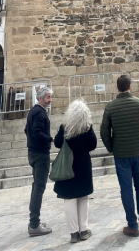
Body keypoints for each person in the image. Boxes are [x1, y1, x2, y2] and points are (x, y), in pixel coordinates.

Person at [100, 74, 139, 237]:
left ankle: (132, 225)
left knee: (126, 189)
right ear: (130, 87)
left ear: (118, 88)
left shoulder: (111, 107)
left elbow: (104, 131)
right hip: (138, 152)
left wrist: (112, 147)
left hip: (121, 154)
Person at [53, 99, 98, 244]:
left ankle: (73, 233)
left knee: (69, 198)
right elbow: (93, 144)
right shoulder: (87, 127)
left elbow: (57, 143)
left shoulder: (65, 127)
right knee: (83, 197)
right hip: (83, 165)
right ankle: (84, 230)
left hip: (68, 165)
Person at [25, 86, 54, 236]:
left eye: (50, 97)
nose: (50, 100)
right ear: (40, 98)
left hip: (33, 152)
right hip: (40, 154)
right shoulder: (40, 112)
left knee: (36, 186)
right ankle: (34, 225)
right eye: (48, 97)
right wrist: (51, 139)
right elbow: (36, 132)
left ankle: (34, 222)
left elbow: (27, 131)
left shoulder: (33, 111)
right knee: (39, 188)